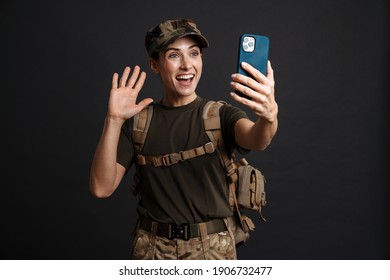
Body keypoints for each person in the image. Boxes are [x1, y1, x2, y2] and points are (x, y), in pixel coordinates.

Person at [89, 18, 278, 260]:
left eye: (194, 53)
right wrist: (113, 120)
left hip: (212, 252)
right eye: (174, 56)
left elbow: (257, 139)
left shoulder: (220, 115)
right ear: (155, 65)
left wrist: (269, 117)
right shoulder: (137, 123)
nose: (187, 65)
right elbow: (101, 188)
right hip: (152, 251)